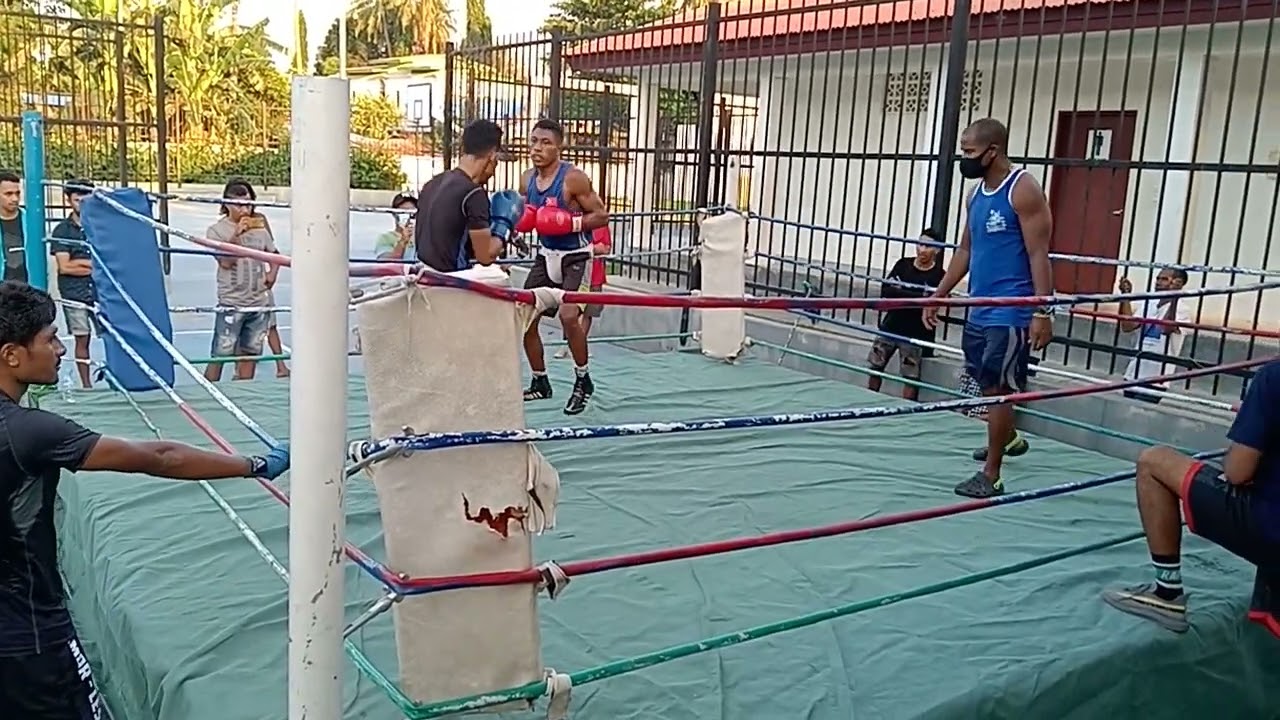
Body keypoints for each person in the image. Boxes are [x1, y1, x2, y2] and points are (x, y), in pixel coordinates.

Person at [0, 280, 290, 719]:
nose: (60, 349)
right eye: (50, 339)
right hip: (30, 635)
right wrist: (256, 464)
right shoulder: (30, 431)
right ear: (11, 354)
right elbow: (160, 457)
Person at [924, 118, 1055, 498]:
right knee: (983, 380)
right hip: (979, 306)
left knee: (999, 388)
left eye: (969, 151)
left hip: (1011, 309)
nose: (963, 159)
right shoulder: (975, 195)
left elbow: (1039, 253)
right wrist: (940, 293)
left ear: (992, 151)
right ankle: (1007, 437)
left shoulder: (1023, 188)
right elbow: (966, 249)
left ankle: (992, 473)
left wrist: (1042, 311)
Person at [1102, 359, 1279, 636]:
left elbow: (1238, 472)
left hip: (1269, 525)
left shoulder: (1273, 377)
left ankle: (1167, 593)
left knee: (1153, 461)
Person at [518, 119, 610, 415]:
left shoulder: (573, 178)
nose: (537, 148)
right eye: (534, 141)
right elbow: (525, 214)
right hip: (546, 255)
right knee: (525, 317)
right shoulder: (526, 179)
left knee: (569, 316)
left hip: (577, 257)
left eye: (546, 142)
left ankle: (583, 381)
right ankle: (540, 381)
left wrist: (570, 223)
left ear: (559, 147)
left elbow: (601, 216)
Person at [204, 180, 279, 383]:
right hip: (232, 302)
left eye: (248, 203)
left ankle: (244, 391)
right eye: (239, 204)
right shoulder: (216, 231)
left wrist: (272, 273)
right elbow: (225, 262)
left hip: (258, 301)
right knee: (221, 353)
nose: (245, 209)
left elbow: (274, 254)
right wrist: (236, 234)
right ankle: (208, 391)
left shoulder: (260, 229)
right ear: (227, 204)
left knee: (250, 354)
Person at [415, 120, 506, 272]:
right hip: (450, 280)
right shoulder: (473, 194)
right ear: (492, 156)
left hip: (422, 274)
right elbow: (485, 256)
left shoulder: (433, 183)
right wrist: (504, 227)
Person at [867, 229, 945, 401]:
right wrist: (919, 298)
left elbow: (933, 301)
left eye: (928, 246)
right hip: (891, 325)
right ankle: (868, 401)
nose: (922, 249)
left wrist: (902, 294)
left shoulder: (939, 275)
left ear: (937, 250)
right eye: (920, 244)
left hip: (914, 332)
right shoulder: (903, 264)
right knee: (875, 367)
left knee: (911, 376)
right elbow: (886, 291)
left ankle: (907, 409)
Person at [50, 181, 98, 389]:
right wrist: (94, 266)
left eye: (86, 200)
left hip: (100, 292)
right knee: (82, 338)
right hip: (74, 293)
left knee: (113, 336)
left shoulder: (99, 227)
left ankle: (116, 378)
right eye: (78, 200)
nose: (82, 204)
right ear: (68, 200)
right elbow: (65, 267)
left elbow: (109, 261)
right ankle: (86, 385)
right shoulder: (62, 230)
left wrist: (79, 263)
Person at [1117, 268, 1190, 404]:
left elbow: (1166, 328)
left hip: (1157, 377)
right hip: (1134, 371)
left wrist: (1175, 297)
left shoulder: (1182, 309)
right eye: (1158, 279)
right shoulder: (1149, 303)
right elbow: (1127, 326)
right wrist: (1125, 296)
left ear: (1178, 283)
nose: (1158, 282)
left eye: (1164, 279)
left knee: (1141, 410)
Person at [554, 226, 611, 360]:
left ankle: (580, 345)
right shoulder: (576, 224)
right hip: (576, 274)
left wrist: (586, 250)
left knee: (589, 312)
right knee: (569, 311)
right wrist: (591, 249)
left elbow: (605, 248)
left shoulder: (602, 226)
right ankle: (566, 343)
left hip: (595, 276)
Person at [374, 192, 419, 262]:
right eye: (403, 211)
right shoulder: (385, 238)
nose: (409, 215)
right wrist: (403, 241)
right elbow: (386, 262)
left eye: (412, 211)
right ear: (394, 214)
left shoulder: (422, 238)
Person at [1, 170, 24, 283]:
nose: (15, 198)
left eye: (17, 193)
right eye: (8, 194)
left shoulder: (30, 221)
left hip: (28, 287)